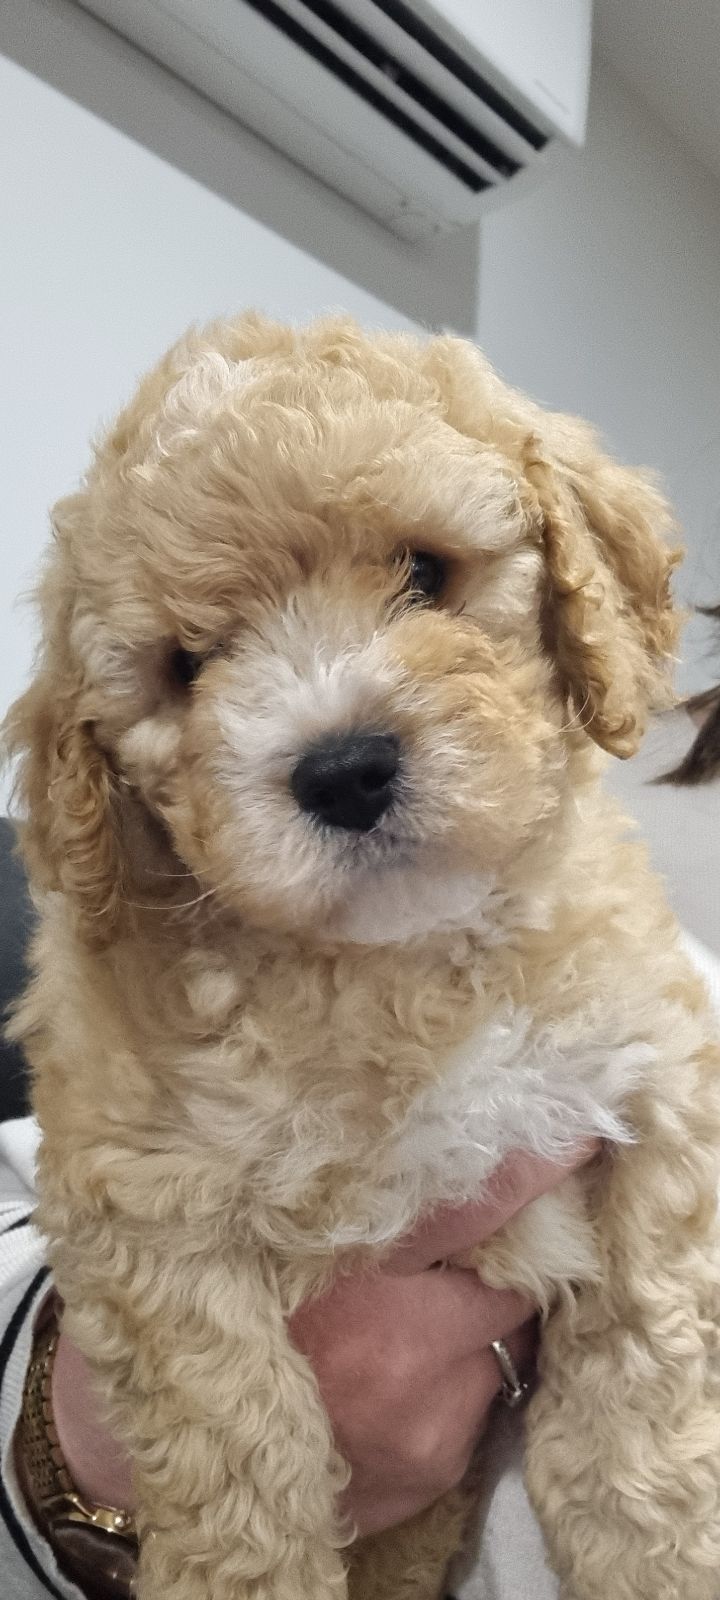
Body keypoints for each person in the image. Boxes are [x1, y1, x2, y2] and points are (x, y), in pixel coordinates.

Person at [0, 643, 718, 1600]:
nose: (333, 724)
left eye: (423, 574)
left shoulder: (634, 939)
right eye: (193, 661)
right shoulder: (163, 988)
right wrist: (69, 1445)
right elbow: (76, 1190)